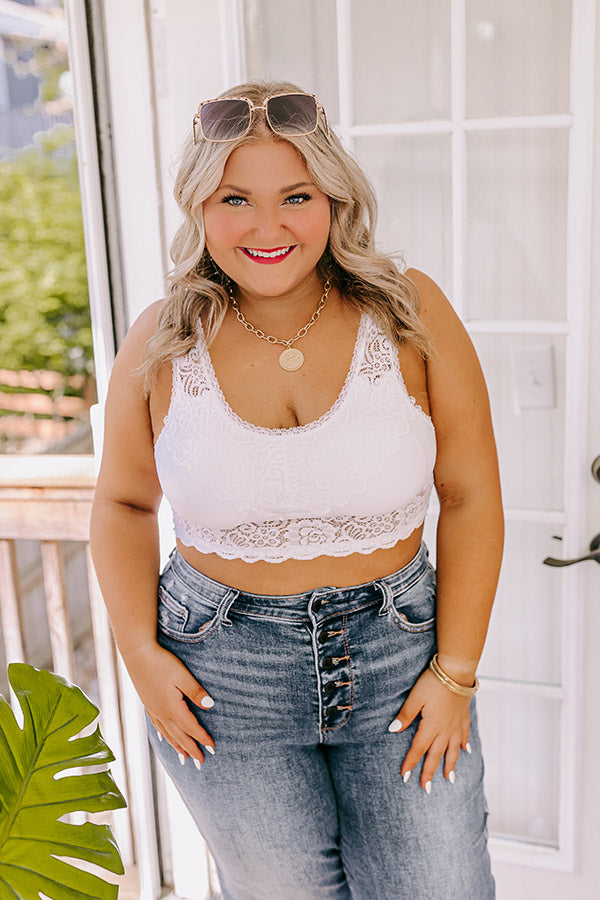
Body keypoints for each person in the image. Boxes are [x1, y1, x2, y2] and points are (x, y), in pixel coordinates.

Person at [90, 80, 503, 900]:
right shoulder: (165, 338)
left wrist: (455, 672)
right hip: (220, 675)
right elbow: (124, 504)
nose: (267, 227)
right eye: (234, 197)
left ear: (334, 197)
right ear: (200, 207)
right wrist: (139, 654)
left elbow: (471, 494)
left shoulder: (412, 316)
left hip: (400, 657)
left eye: (296, 196)